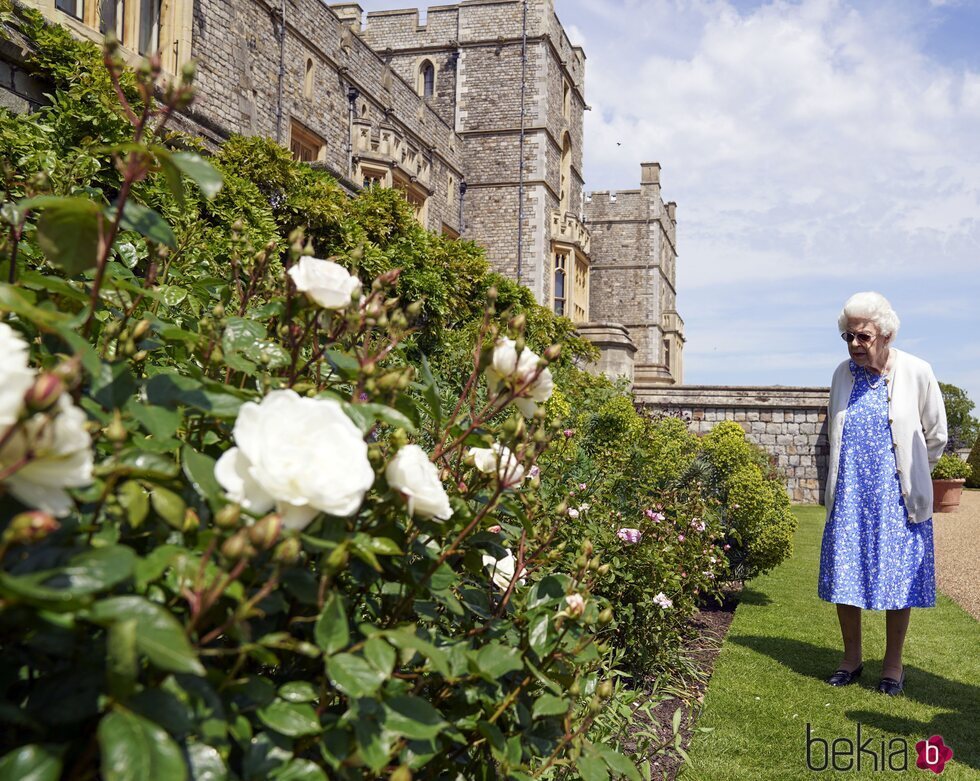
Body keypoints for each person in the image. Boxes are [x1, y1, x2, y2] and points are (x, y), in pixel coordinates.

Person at [818, 291, 947, 696]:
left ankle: (893, 665)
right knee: (845, 576)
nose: (855, 345)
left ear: (886, 334)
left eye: (863, 337)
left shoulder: (917, 371)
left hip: (897, 499)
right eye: (848, 337)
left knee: (899, 582)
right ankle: (851, 658)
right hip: (851, 495)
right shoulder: (841, 375)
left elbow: (937, 435)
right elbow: (834, 435)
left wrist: (911, 474)